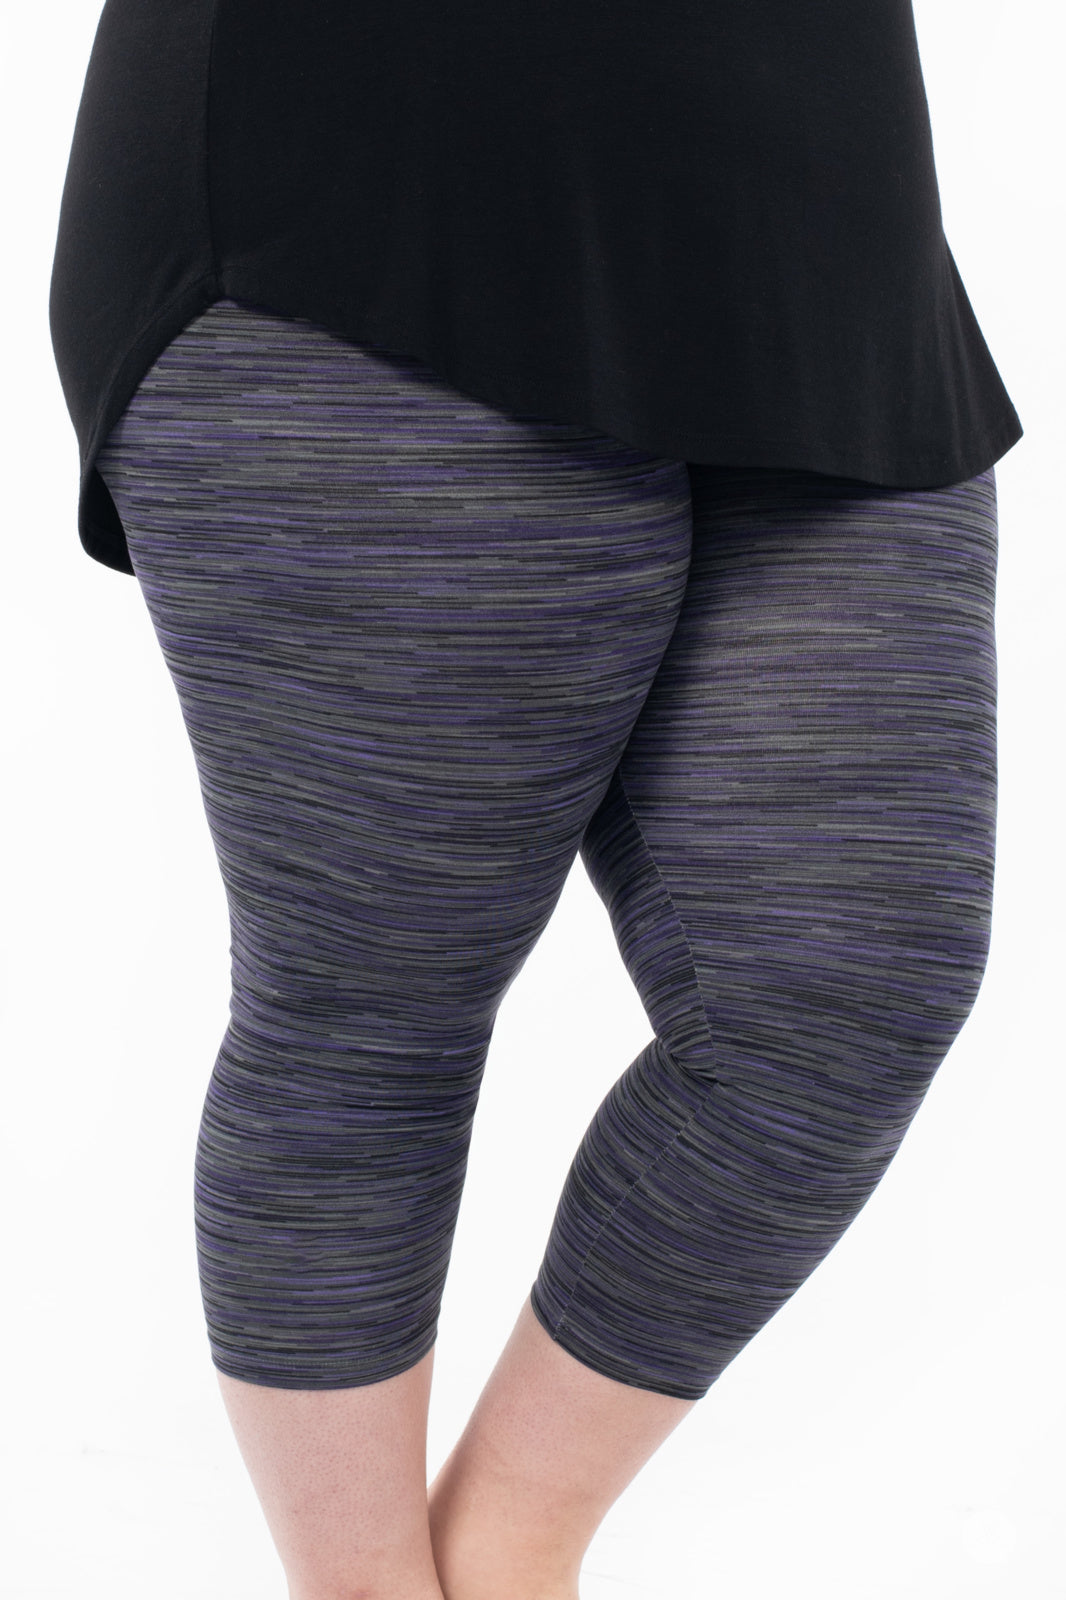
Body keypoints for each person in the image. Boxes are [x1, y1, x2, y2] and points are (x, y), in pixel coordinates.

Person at [48, 4, 1022, 1598]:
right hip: (363, 188)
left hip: (810, 208)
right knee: (377, 1007)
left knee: (848, 988)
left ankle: (511, 1558)